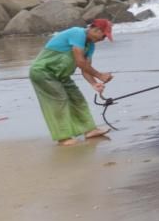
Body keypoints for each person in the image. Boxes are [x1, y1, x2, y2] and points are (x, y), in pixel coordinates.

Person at [29, 18, 115, 146]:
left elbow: (85, 68)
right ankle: (63, 137)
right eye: (103, 36)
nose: (103, 39)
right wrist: (100, 75)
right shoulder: (77, 33)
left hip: (62, 76)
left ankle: (89, 130)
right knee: (59, 100)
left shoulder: (90, 46)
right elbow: (80, 62)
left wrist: (94, 83)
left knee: (77, 99)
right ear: (95, 29)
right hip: (43, 72)